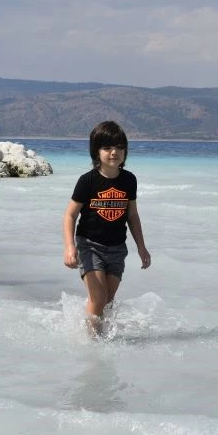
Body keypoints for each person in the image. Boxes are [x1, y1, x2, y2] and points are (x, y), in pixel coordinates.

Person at [63, 120, 151, 337]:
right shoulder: (88, 181)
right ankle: (91, 346)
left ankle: (100, 336)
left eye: (120, 147)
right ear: (96, 152)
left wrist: (142, 247)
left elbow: (132, 215)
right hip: (89, 246)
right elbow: (70, 214)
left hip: (117, 249)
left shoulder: (129, 180)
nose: (114, 152)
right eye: (107, 148)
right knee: (99, 298)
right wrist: (69, 247)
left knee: (108, 301)